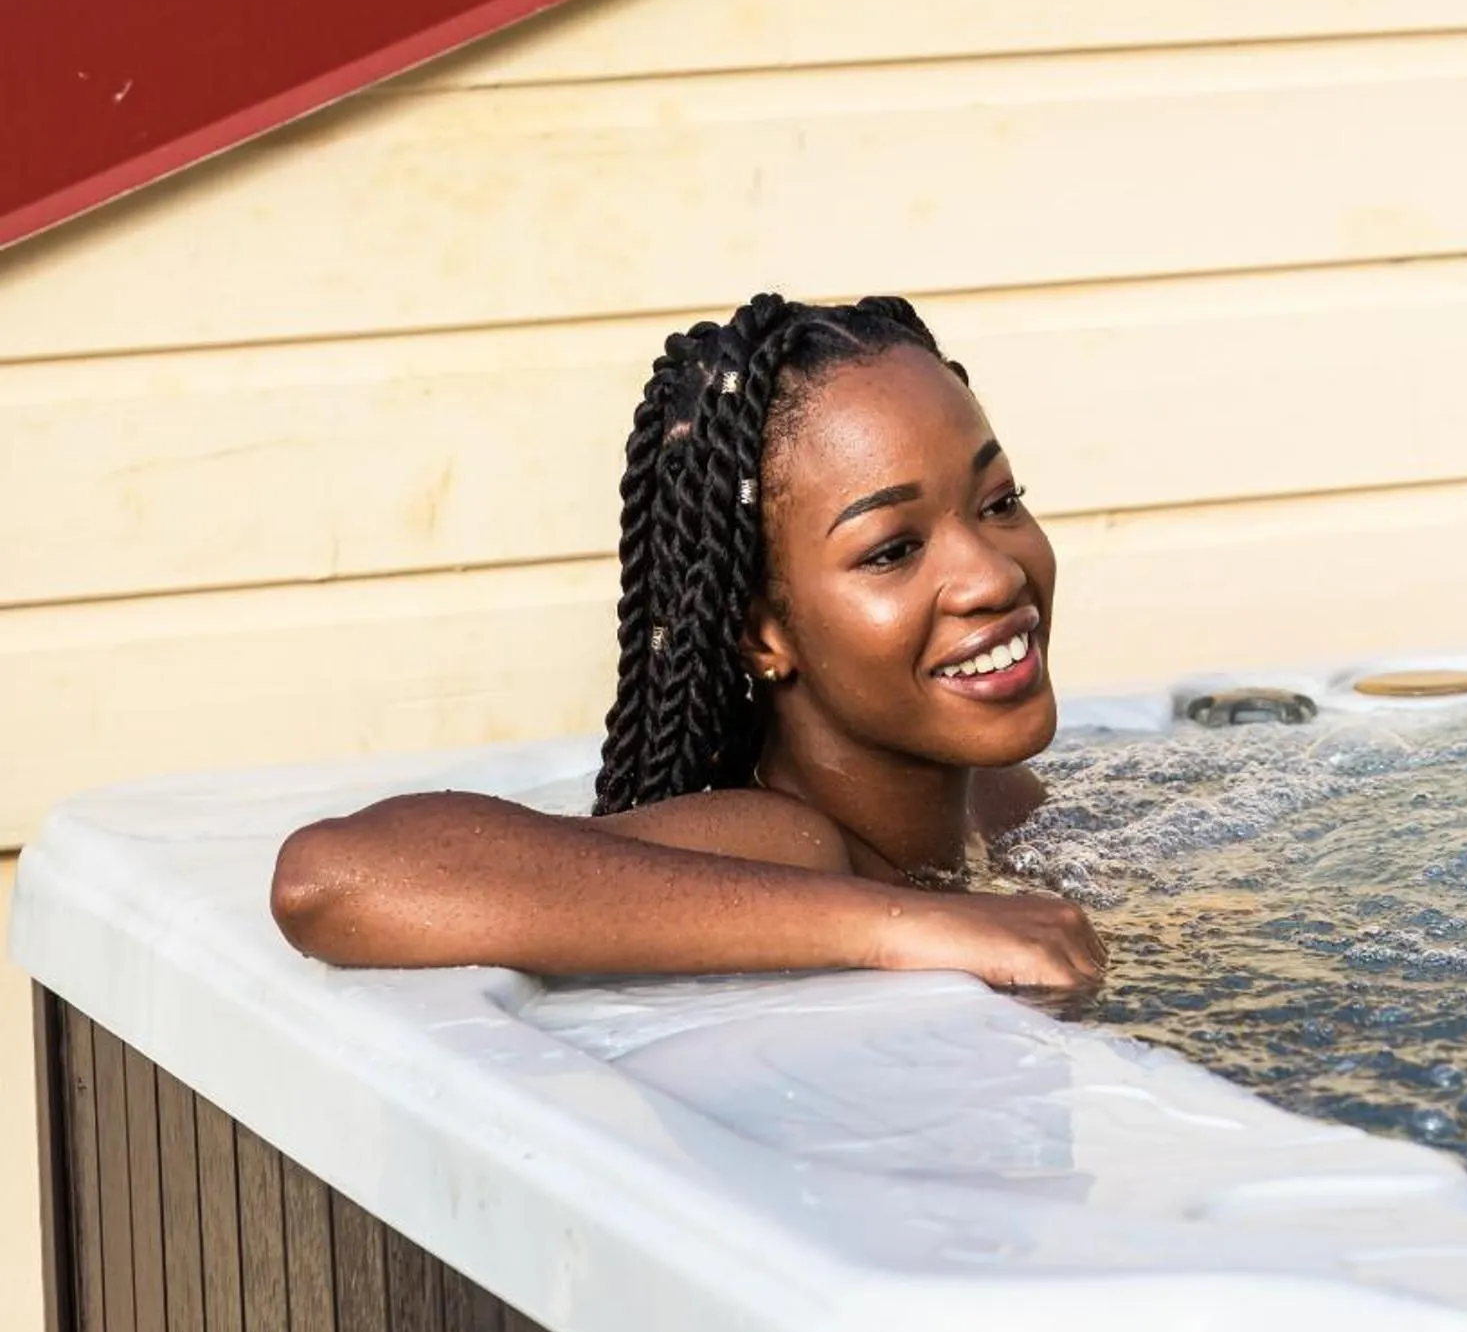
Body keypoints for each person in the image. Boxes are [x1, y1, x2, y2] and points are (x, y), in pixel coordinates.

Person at [270, 293, 1106, 997]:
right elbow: (328, 878)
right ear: (761, 634)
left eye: (1000, 503)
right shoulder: (793, 844)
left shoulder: (1001, 801)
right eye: (891, 551)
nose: (993, 575)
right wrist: (907, 926)